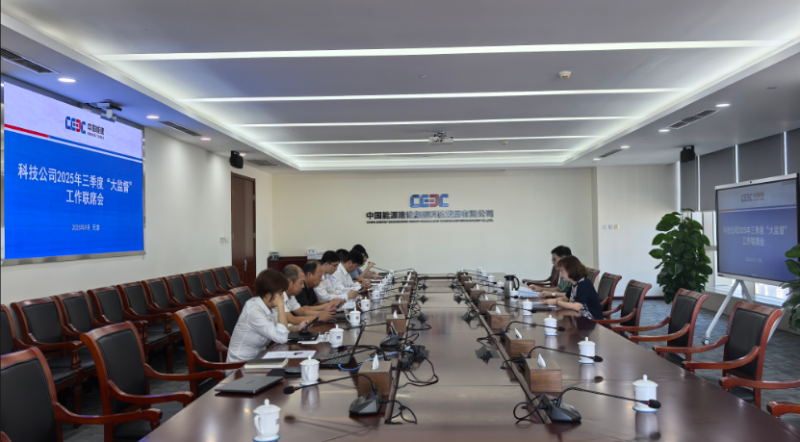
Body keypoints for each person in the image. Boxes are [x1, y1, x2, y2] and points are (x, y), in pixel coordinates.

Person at [226, 269, 309, 363]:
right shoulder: (253, 311)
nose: (282, 298)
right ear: (268, 294)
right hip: (240, 365)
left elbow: (279, 328)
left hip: (258, 359)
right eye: (280, 294)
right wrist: (281, 305)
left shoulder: (270, 306)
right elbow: (282, 338)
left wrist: (297, 328)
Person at [541, 255, 603, 320]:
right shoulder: (574, 283)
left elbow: (577, 306)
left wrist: (556, 302)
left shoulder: (583, 283)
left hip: (592, 321)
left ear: (570, 270)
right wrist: (547, 301)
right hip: (579, 318)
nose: (560, 274)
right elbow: (565, 299)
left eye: (562, 271)